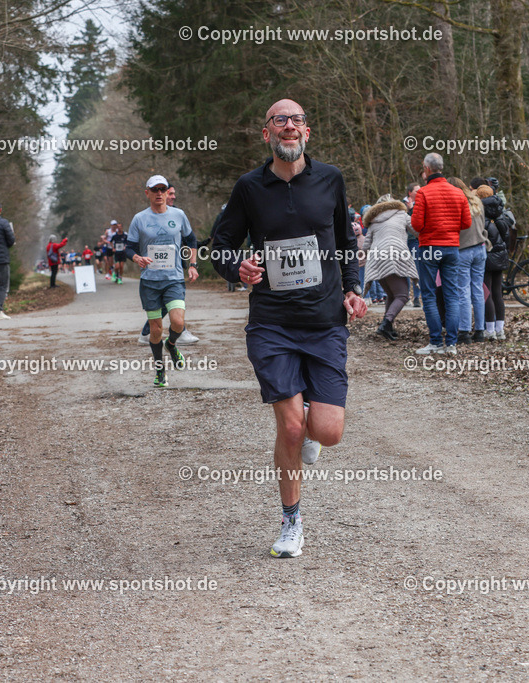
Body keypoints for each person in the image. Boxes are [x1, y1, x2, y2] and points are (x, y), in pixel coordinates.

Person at [211, 98, 366, 559]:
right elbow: (220, 244)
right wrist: (235, 268)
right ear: (267, 134)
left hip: (324, 321)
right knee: (292, 428)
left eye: (297, 121)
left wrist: (353, 287)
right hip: (272, 324)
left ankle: (310, 438)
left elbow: (345, 239)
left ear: (307, 132)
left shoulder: (330, 179)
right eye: (280, 121)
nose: (289, 128)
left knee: (327, 430)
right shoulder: (249, 188)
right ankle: (291, 522)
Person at [125, 174, 199, 387]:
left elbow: (191, 239)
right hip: (149, 281)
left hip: (174, 278)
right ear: (147, 193)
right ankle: (160, 371)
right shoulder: (140, 219)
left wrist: (193, 265)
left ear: (168, 192)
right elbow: (129, 247)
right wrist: (137, 257)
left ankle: (172, 344)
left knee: (178, 322)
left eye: (162, 189)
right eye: (154, 190)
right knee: (155, 329)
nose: (159, 193)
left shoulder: (179, 214)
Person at [410, 152, 471, 355]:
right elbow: (466, 223)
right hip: (452, 248)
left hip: (429, 248)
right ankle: (451, 343)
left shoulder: (423, 193)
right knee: (452, 294)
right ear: (441, 168)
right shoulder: (458, 193)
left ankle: (436, 341)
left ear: (427, 169)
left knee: (428, 295)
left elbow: (417, 224)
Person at [139, 185, 199, 344]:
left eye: (173, 194)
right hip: (155, 271)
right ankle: (151, 332)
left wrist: (193, 261)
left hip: (175, 266)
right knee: (167, 301)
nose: (173, 197)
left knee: (173, 301)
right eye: (170, 193)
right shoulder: (148, 216)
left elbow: (188, 238)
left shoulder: (177, 214)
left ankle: (177, 330)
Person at [362, 194, 417, 340]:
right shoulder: (401, 214)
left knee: (392, 295)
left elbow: (366, 246)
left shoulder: (373, 221)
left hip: (376, 259)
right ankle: (385, 324)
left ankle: (388, 325)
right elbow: (416, 230)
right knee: (403, 295)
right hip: (394, 255)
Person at [447, 177, 487, 344]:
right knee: (477, 290)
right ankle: (479, 330)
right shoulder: (476, 201)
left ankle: (464, 331)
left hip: (463, 250)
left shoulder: (456, 204)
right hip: (480, 247)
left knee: (463, 291)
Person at [477, 185, 509, 340]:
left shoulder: (481, 214)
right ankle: (500, 330)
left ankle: (489, 330)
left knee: (486, 293)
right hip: (501, 256)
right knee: (498, 294)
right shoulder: (501, 213)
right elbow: (507, 235)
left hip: (487, 257)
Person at [404, 182, 422, 307]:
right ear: (410, 193)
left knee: (416, 269)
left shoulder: (421, 203)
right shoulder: (401, 205)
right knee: (404, 269)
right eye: (416, 191)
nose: (419, 193)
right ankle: (405, 296)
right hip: (404, 241)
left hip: (416, 241)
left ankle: (416, 296)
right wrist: (409, 210)